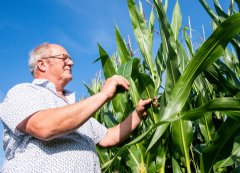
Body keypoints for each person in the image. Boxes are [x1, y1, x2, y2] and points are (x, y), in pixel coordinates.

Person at [0, 43, 153, 172]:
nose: (71, 63)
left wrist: (138, 114)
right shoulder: (23, 92)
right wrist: (103, 94)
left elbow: (108, 138)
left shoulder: (74, 110)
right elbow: (43, 127)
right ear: (42, 64)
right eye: (64, 58)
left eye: (70, 59)